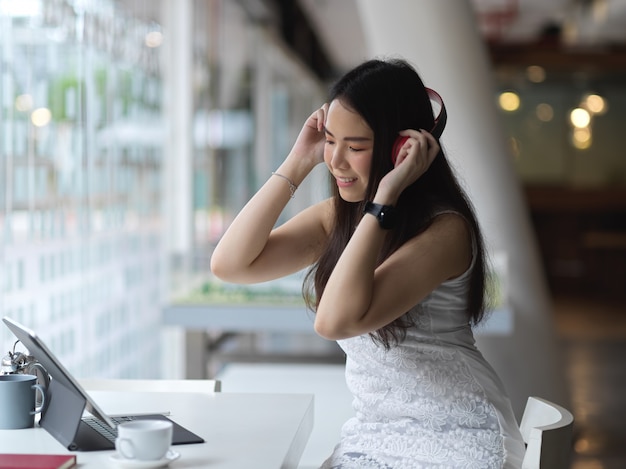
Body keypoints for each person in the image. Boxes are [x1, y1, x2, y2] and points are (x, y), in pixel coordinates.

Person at [210, 58, 525, 468]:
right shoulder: (338, 216)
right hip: (374, 432)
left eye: (355, 147)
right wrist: (299, 161)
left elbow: (333, 321)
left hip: (458, 435)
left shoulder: (446, 231)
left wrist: (386, 196)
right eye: (330, 140)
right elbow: (231, 264)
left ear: (401, 149)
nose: (336, 160)